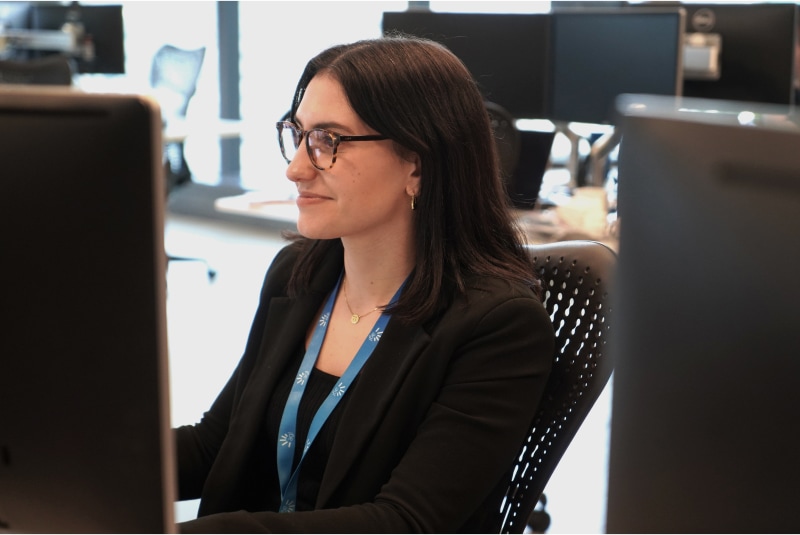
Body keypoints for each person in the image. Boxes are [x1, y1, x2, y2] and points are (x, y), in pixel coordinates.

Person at [175, 35, 555, 533]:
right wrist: (82, 458)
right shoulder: (298, 275)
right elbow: (216, 442)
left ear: (417, 164)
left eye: (328, 141)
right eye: (298, 134)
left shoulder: (498, 326)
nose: (295, 169)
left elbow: (404, 522)